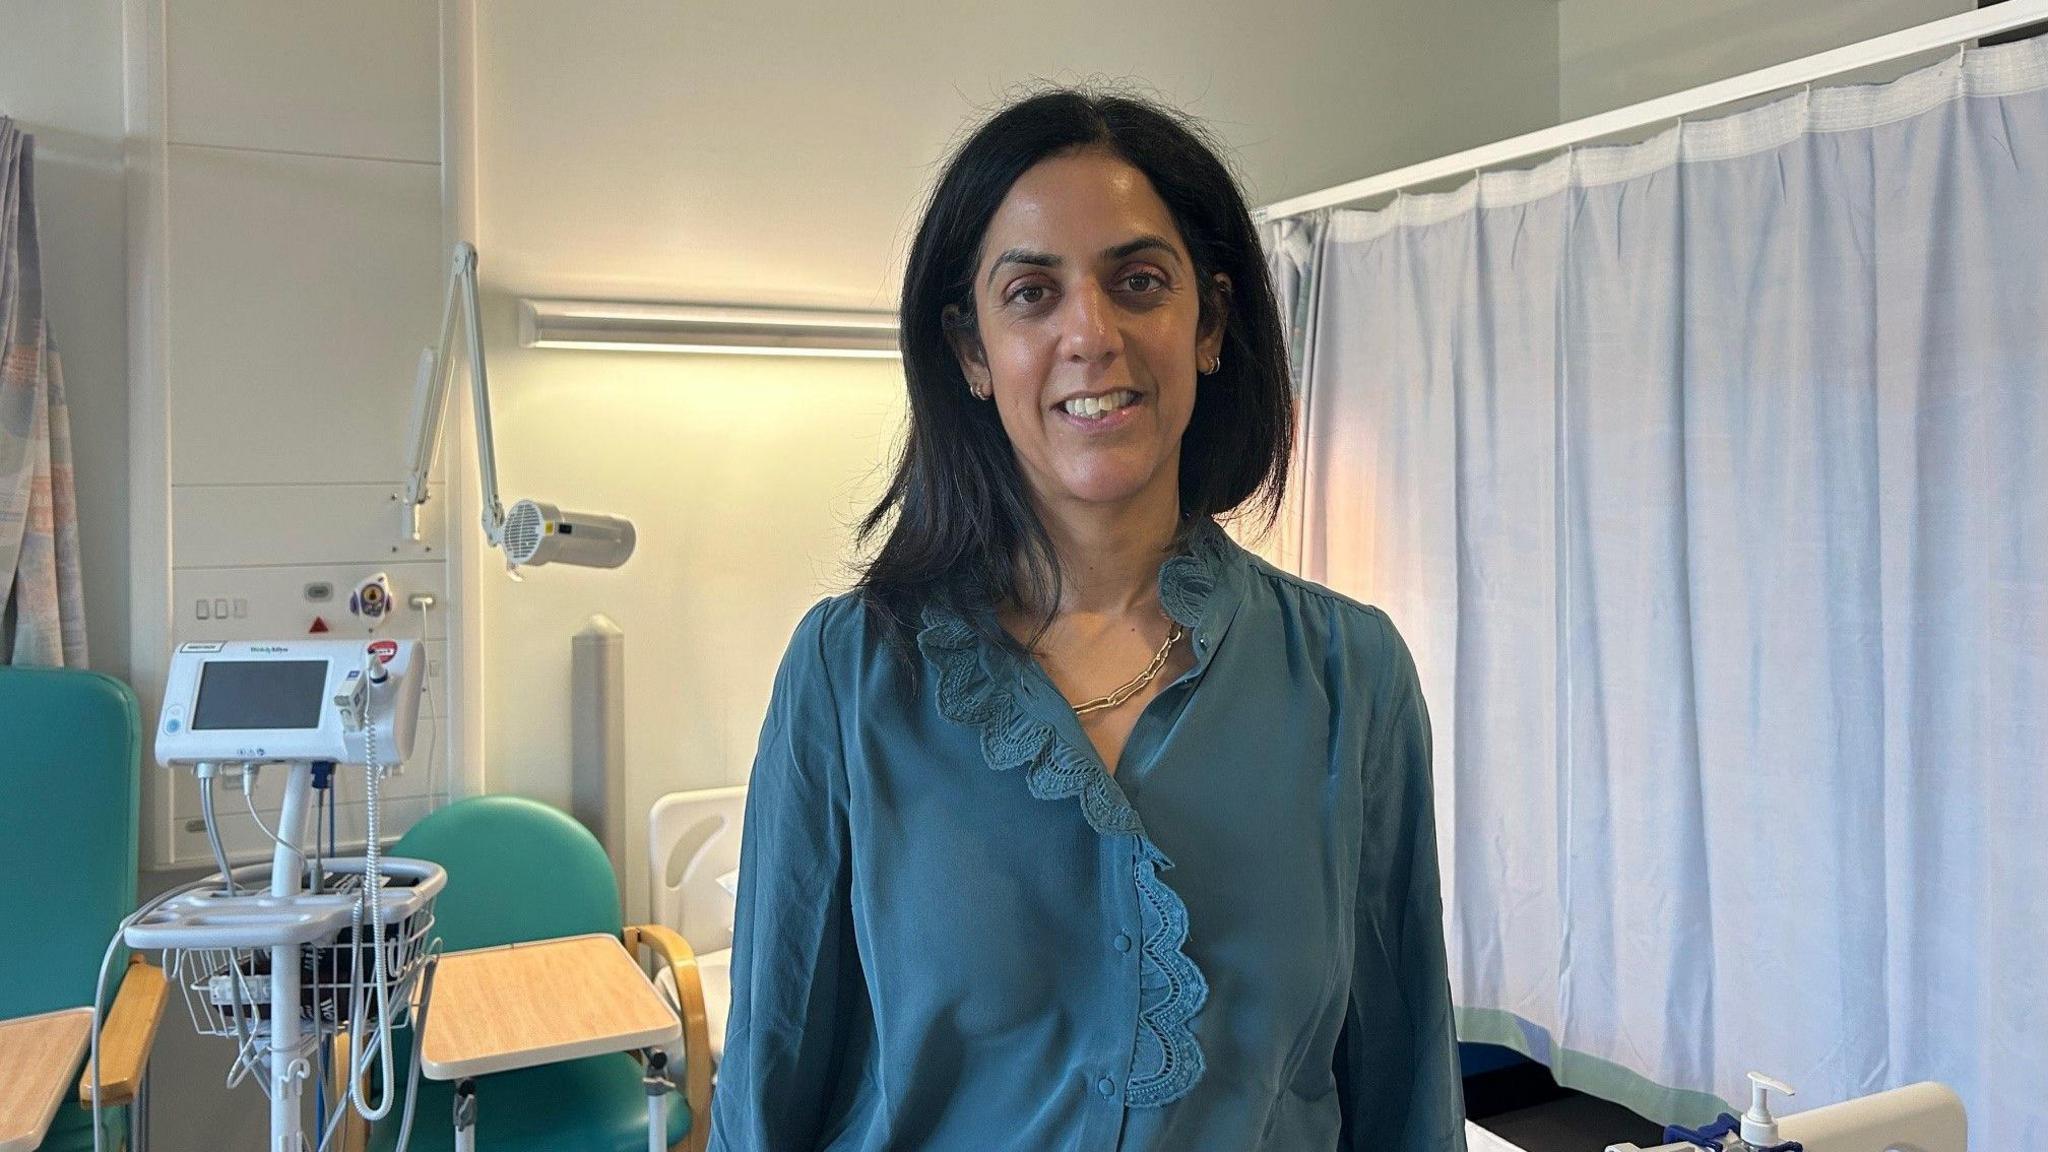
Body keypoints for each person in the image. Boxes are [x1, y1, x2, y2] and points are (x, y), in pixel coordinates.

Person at [708, 86, 1466, 1152]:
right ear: (971, 353)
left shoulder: (1351, 676)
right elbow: (770, 1080)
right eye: (1031, 294)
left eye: (1137, 282)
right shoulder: (848, 675)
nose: (1090, 335)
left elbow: (1402, 1088)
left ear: (1206, 324)